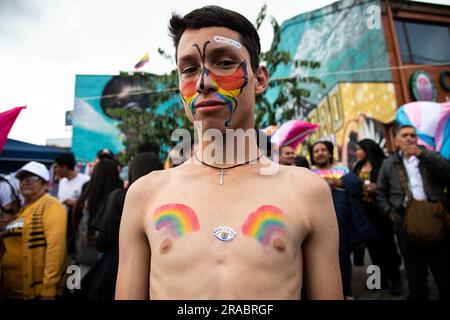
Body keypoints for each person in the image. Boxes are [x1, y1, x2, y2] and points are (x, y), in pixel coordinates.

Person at [116, 6, 342, 300]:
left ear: (259, 79)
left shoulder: (306, 190)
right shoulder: (145, 195)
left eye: (224, 63)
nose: (203, 82)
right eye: (188, 70)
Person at [73, 152, 163, 300]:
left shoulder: (119, 196)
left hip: (117, 269)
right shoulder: (164, 199)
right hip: (157, 271)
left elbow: (103, 242)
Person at [375, 125, 450, 300]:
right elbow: (380, 191)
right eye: (405, 135)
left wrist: (423, 155)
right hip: (405, 223)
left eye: (413, 135)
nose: (409, 138)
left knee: (443, 269)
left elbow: (447, 172)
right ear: (396, 140)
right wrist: (391, 213)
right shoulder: (389, 163)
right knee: (414, 270)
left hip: (435, 219)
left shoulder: (428, 156)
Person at [310, 141, 378, 299]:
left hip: (343, 222)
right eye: (316, 151)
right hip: (320, 225)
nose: (320, 153)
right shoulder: (309, 173)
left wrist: (340, 183)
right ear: (312, 156)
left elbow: (355, 185)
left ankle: (346, 291)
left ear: (329, 153)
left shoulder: (342, 169)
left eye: (323, 150)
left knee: (343, 257)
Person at [0, 161, 68, 299]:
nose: (25, 182)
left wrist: (48, 290)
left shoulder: (51, 206)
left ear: (45, 184)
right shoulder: (23, 210)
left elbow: (55, 249)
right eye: (22, 179)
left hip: (35, 292)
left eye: (31, 178)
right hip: (11, 290)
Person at [353, 139, 402, 296]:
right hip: (365, 214)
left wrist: (377, 188)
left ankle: (395, 281)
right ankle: (377, 281)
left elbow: (391, 185)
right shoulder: (357, 167)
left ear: (367, 150)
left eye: (359, 149)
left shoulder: (382, 164)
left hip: (381, 212)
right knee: (373, 250)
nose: (357, 153)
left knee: (388, 248)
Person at [73, 159, 122, 278]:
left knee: (78, 291)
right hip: (108, 263)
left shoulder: (85, 196)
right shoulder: (117, 199)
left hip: (82, 257)